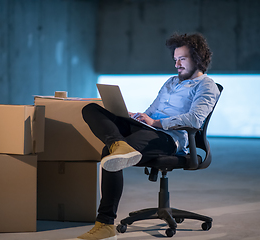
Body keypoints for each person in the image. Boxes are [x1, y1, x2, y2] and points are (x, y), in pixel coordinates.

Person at [76, 32, 221, 240]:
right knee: (91, 109)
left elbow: (194, 120)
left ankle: (105, 223)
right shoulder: (171, 82)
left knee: (110, 154)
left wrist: (156, 123)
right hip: (149, 129)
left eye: (182, 59)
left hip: (171, 139)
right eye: (175, 59)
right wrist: (138, 117)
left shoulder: (207, 86)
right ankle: (119, 144)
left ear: (197, 58)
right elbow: (152, 111)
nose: (177, 64)